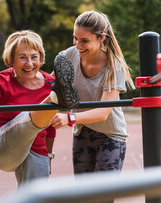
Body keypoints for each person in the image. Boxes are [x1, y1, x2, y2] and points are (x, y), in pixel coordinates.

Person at [0, 30, 80, 187]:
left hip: (34, 149)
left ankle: (54, 99)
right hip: (2, 149)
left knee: (37, 195)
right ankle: (54, 98)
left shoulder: (50, 82)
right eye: (22, 58)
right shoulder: (0, 80)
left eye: (34, 57)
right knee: (28, 115)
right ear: (11, 61)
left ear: (40, 58)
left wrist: (48, 156)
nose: (29, 63)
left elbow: (49, 129)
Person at [50, 11, 135, 176]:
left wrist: (69, 118)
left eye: (84, 41)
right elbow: (46, 85)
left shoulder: (113, 65)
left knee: (103, 196)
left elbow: (103, 112)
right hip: (82, 133)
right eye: (75, 38)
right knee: (86, 196)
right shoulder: (68, 56)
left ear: (101, 38)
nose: (78, 45)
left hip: (111, 136)